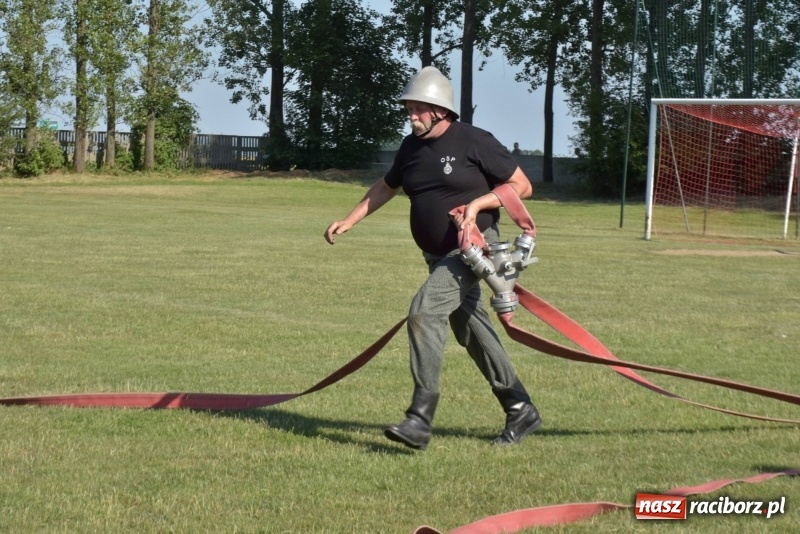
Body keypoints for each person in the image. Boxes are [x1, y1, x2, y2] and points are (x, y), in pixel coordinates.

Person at [324, 66, 542, 450]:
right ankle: (520, 407)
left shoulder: (475, 141)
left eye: (418, 109)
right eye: (408, 108)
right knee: (472, 331)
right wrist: (350, 219)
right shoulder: (411, 148)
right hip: (435, 255)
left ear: (440, 110)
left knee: (424, 313)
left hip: (472, 250)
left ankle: (419, 419)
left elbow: (522, 185)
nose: (411, 116)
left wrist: (478, 203)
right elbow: (387, 187)